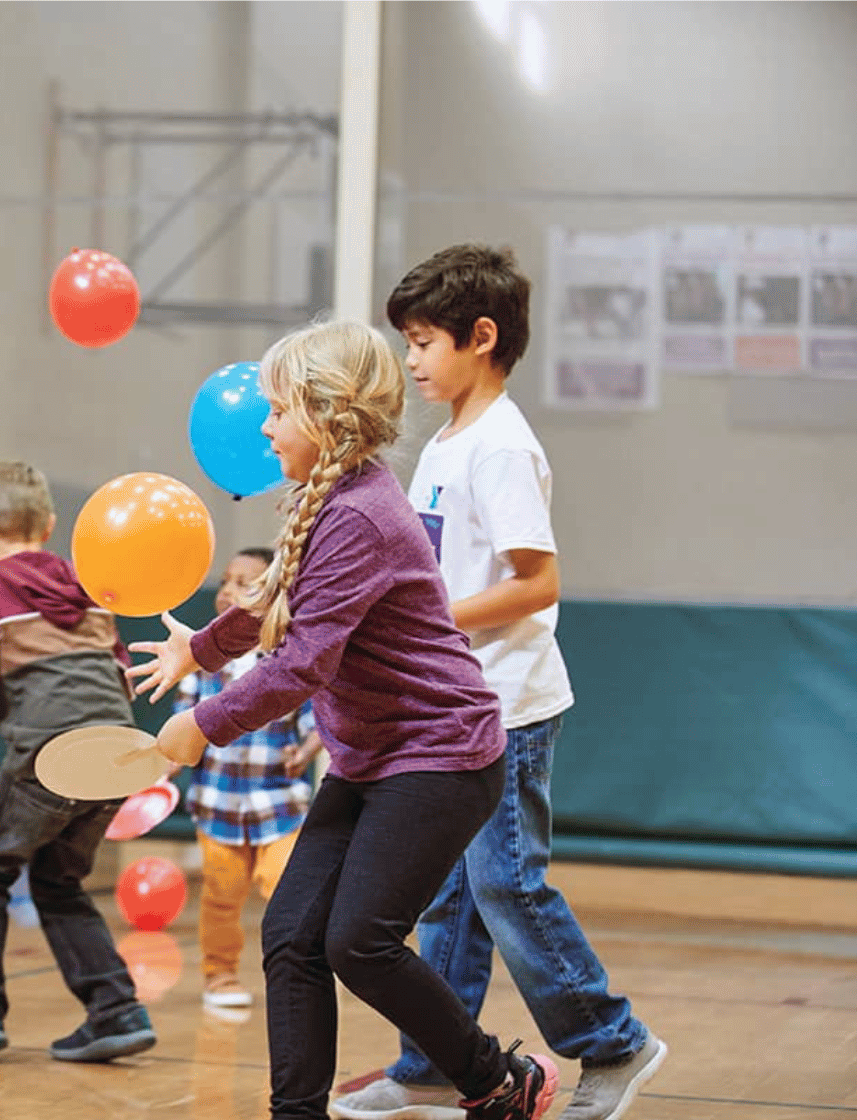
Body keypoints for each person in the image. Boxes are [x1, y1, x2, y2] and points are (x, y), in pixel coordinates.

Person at [130, 320, 558, 1120]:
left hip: (441, 759)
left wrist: (205, 724)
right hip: (371, 759)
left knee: (357, 940)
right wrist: (201, 652)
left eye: (277, 409)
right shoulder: (327, 502)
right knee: (291, 937)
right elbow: (273, 607)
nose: (263, 427)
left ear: (326, 416)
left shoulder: (360, 515)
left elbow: (301, 664)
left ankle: (500, 1079)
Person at [331, 245, 665, 1120]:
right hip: (452, 710)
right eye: (405, 341)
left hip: (506, 706)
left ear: (482, 338)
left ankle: (614, 1044)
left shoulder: (503, 447)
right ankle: (431, 1063)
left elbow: (536, 581)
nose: (410, 360)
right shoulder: (445, 441)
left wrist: (426, 622)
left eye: (425, 341)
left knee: (506, 885)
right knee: (447, 895)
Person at [0, 460, 155, 1063]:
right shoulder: (87, 587)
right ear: (48, 526)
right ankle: (116, 1009)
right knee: (56, 877)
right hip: (118, 751)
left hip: (50, 752)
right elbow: (120, 678)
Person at [172, 545, 318, 1011]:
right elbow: (185, 717)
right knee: (221, 896)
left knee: (286, 889)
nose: (228, 592)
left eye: (244, 583)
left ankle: (296, 977)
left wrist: (309, 747)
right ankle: (220, 976)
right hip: (218, 804)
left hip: (279, 800)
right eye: (225, 582)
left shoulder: (289, 656)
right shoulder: (201, 660)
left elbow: (317, 717)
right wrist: (171, 757)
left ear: (275, 594)